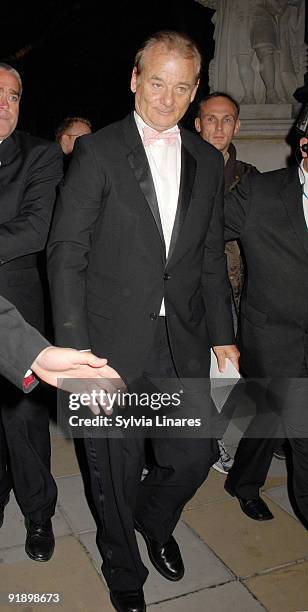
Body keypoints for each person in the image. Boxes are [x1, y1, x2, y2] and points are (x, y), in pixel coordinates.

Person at [48, 30, 238, 612]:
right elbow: (66, 253)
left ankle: (153, 524)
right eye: (156, 82)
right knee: (114, 465)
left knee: (193, 456)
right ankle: (120, 563)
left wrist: (225, 339)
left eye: (181, 87)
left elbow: (208, 258)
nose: (167, 98)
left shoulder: (207, 161)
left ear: (195, 90)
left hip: (180, 340)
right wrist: (77, 352)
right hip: (108, 344)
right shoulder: (98, 152)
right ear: (135, 79)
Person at [222, 136, 308, 527]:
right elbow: (200, 238)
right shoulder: (260, 191)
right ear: (304, 145)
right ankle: (244, 484)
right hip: (272, 335)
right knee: (267, 422)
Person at [0, 62, 62, 563]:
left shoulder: (39, 155)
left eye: (14, 96)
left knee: (23, 423)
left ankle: (39, 514)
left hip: (17, 318)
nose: (5, 103)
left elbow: (36, 228)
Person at [195, 91, 258, 474]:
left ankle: (213, 439)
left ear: (237, 125)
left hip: (232, 292)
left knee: (225, 375)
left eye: (227, 119)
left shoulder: (250, 177)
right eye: (211, 119)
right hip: (183, 291)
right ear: (198, 122)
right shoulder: (178, 167)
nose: (219, 127)